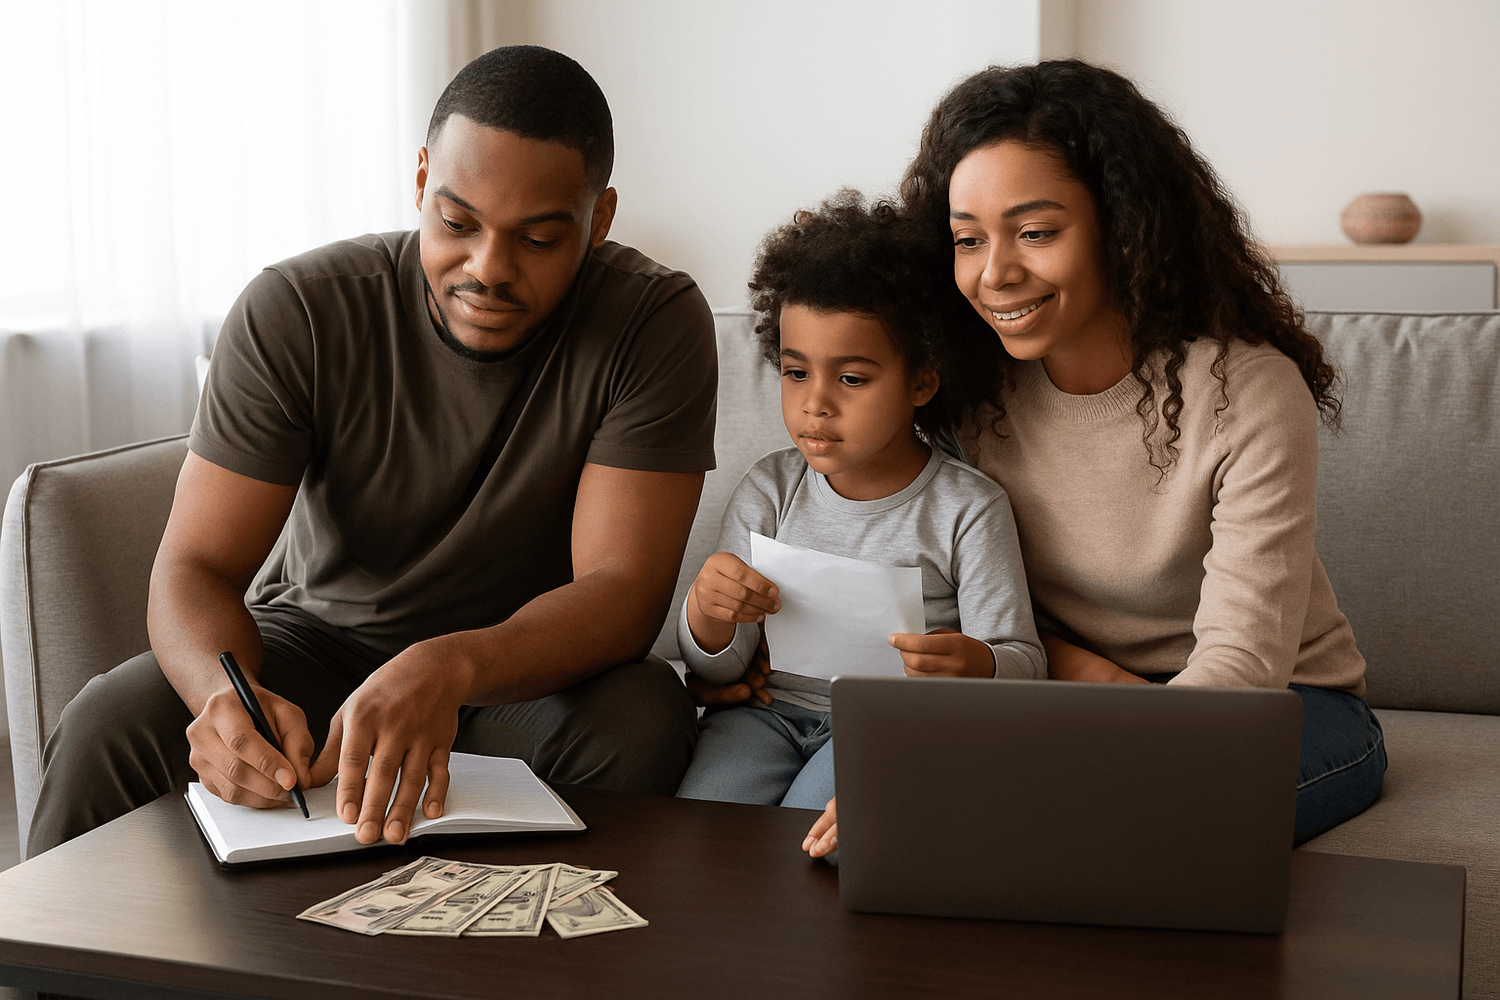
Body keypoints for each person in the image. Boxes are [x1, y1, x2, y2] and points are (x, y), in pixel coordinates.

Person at [26, 45, 717, 858]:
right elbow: (194, 567)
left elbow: (623, 591)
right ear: (422, 181)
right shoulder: (300, 310)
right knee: (109, 722)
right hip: (318, 645)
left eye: (536, 240)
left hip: (522, 676)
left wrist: (448, 667)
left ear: (597, 221)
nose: (486, 270)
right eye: (457, 224)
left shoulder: (653, 321)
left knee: (641, 717)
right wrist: (224, 696)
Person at [843, 58, 1382, 853]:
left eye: (1035, 232)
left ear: (1122, 225)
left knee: (1117, 822)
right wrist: (1097, 684)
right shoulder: (969, 387)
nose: (995, 274)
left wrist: (1102, 732)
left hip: (1285, 703)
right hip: (1058, 690)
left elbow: (1239, 666)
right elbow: (955, 596)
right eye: (967, 240)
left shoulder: (1249, 392)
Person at [675, 193, 1043, 819]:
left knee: (811, 835)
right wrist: (708, 615)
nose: (816, 404)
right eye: (796, 373)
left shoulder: (968, 508)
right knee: (705, 822)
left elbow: (1024, 663)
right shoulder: (768, 490)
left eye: (851, 379)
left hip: (888, 721)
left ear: (921, 382)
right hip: (765, 717)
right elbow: (727, 664)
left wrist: (976, 662)